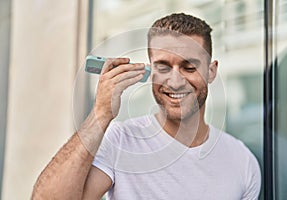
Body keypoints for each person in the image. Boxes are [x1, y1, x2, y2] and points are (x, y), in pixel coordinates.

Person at [32, 13, 261, 199]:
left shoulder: (242, 161)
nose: (175, 81)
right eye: (163, 67)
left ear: (211, 72)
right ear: (150, 71)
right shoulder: (121, 140)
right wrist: (101, 114)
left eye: (189, 67)